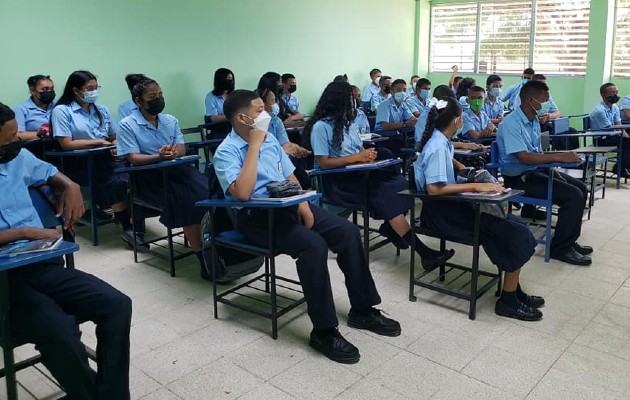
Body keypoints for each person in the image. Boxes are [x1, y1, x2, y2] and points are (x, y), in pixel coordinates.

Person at [213, 89, 402, 364]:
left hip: (290, 205)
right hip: (257, 216)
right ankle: (324, 331)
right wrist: (253, 146)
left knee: (347, 232)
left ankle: (363, 310)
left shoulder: (271, 142)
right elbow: (242, 193)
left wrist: (302, 203)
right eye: (258, 110)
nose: (265, 114)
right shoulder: (226, 151)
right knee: (313, 246)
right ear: (242, 118)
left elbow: (290, 177)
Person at [0, 102, 131, 399]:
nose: (16, 142)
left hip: (41, 263)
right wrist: (22, 232)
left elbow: (46, 170)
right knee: (59, 330)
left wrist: (68, 184)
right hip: (4, 284)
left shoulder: (15, 158)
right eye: (8, 139)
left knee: (117, 304)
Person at [413, 96, 544, 321]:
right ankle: (508, 301)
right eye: (462, 117)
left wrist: (475, 180)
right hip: (443, 214)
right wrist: (476, 186)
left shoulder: (441, 141)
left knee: (513, 225)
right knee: (515, 232)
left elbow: (449, 174)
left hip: (452, 206)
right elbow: (433, 189)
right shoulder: (436, 145)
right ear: (456, 121)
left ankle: (511, 290)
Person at [305, 81, 454, 267]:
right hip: (337, 181)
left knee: (399, 182)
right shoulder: (321, 127)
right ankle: (423, 252)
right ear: (337, 101)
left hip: (359, 174)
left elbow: (357, 150)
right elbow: (324, 163)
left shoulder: (349, 123)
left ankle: (391, 227)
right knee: (383, 191)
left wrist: (367, 156)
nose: (354, 103)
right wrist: (355, 158)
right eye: (350, 100)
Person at [117, 78, 221, 281]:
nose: (158, 99)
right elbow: (132, 157)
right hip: (148, 177)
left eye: (160, 95)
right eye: (152, 97)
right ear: (138, 101)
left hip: (178, 170)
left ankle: (217, 247)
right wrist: (159, 156)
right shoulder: (127, 124)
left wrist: (174, 152)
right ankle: (204, 260)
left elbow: (181, 147)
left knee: (211, 191)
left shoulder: (170, 120)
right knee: (189, 202)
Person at [497, 81, 593, 266]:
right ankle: (560, 248)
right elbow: (524, 157)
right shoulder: (511, 123)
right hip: (518, 178)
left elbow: (538, 153)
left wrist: (559, 159)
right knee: (573, 196)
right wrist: (560, 158)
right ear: (531, 100)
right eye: (545, 100)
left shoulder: (533, 120)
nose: (548, 104)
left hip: (534, 171)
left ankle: (569, 240)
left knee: (581, 187)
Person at [50, 70, 139, 247]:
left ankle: (137, 221)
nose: (94, 91)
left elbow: (113, 136)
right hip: (79, 163)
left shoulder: (102, 109)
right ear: (76, 90)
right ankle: (128, 228)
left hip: (105, 157)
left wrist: (114, 146)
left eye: (96, 87)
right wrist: (97, 142)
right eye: (89, 88)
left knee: (134, 172)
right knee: (114, 181)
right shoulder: (62, 110)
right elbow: (66, 144)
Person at [260, 87, 312, 188]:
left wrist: (295, 147)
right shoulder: (256, 125)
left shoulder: (276, 121)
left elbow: (286, 144)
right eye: (273, 101)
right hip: (270, 159)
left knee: (299, 156)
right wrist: (285, 149)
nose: (276, 104)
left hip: (283, 155)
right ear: (263, 105)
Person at [589, 82, 630, 177]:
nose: (615, 95)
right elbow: (611, 129)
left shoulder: (615, 107)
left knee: (627, 141)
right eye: (612, 93)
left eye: (616, 92)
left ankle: (622, 168)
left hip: (613, 135)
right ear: (603, 95)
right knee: (627, 143)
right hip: (602, 138)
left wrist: (626, 135)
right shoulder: (599, 111)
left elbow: (618, 125)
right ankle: (620, 168)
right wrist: (625, 136)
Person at [14, 75, 57, 142]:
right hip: (35, 147)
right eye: (45, 89)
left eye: (51, 89)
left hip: (59, 146)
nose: (49, 92)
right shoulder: (21, 109)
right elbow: (17, 135)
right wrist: (43, 133)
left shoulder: (58, 105)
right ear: (32, 90)